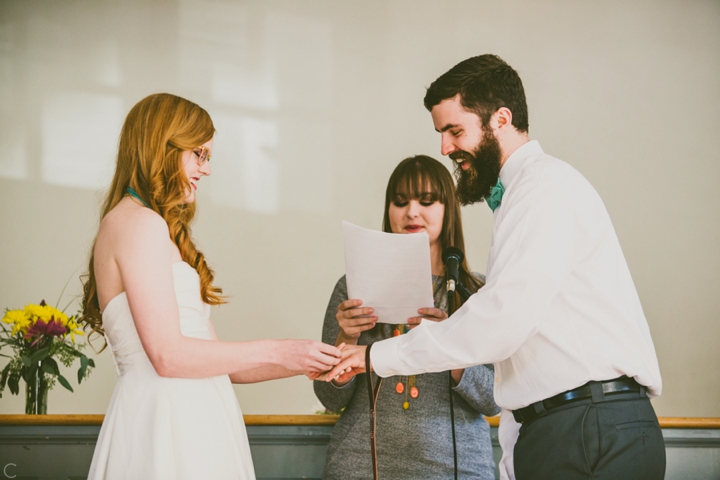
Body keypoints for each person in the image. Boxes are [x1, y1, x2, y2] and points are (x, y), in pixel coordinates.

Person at [324, 55, 665, 480]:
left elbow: (500, 321)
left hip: (586, 425)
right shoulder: (522, 196)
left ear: (501, 119)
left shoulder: (543, 188)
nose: (445, 148)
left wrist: (376, 354)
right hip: (563, 425)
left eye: (455, 131)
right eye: (441, 133)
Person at [80, 93, 341, 480]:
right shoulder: (139, 224)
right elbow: (168, 357)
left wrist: (303, 360)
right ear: (161, 147)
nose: (206, 169)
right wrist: (278, 349)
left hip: (190, 414)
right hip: (169, 423)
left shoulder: (142, 224)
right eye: (198, 154)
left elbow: (219, 362)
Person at [314, 155, 499, 479]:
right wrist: (347, 339)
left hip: (458, 468)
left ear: (448, 208)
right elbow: (329, 397)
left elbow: (495, 398)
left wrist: (448, 346)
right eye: (400, 202)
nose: (412, 211)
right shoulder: (353, 287)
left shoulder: (477, 291)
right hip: (361, 465)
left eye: (426, 201)